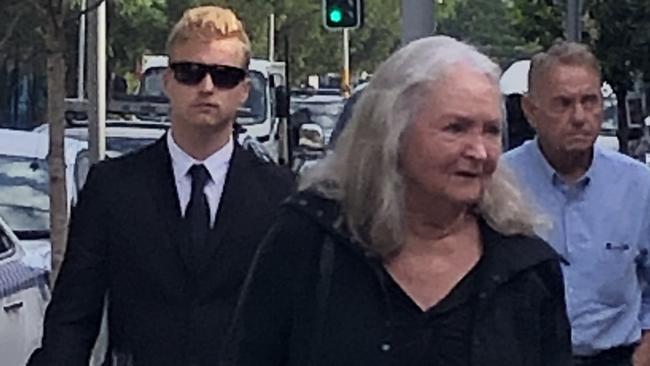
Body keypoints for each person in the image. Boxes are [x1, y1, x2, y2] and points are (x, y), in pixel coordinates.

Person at [221, 35, 572, 366]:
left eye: (491, 131)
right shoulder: (311, 241)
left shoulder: (526, 269)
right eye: (456, 128)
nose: (478, 151)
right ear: (393, 131)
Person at [28, 6, 294, 366]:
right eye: (190, 72)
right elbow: (73, 317)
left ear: (244, 90)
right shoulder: (112, 188)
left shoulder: (281, 196)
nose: (207, 87)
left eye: (225, 76)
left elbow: (299, 320)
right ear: (167, 81)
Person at [502, 41, 650, 366]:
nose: (580, 117)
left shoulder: (639, 186)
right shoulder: (500, 185)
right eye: (563, 104)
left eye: (590, 101)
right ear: (530, 110)